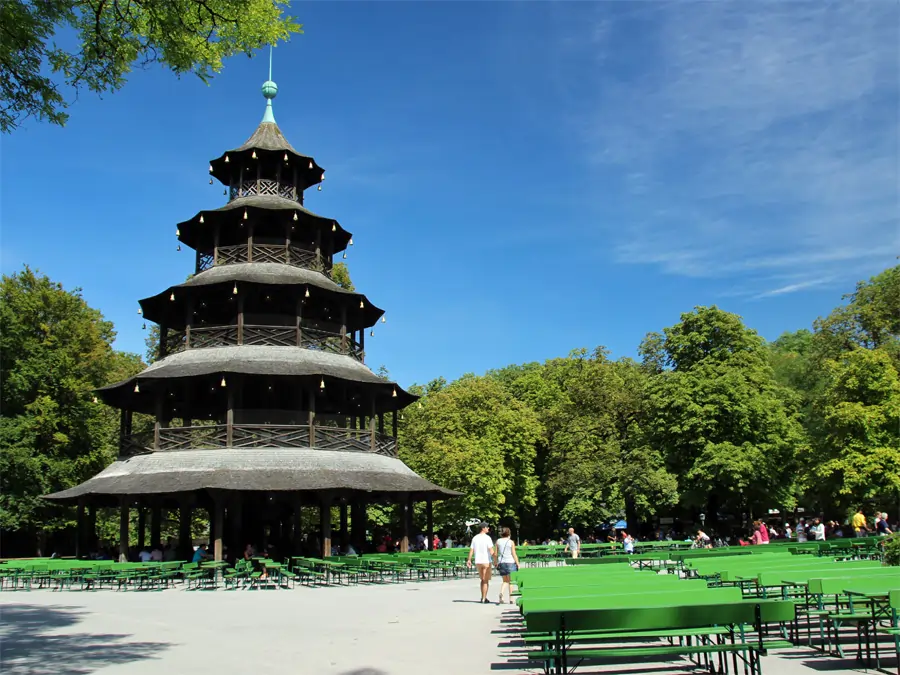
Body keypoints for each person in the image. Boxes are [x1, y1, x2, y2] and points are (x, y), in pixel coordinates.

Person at [466, 523, 495, 604]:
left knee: (482, 580)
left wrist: (469, 560)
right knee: (485, 580)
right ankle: (484, 598)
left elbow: (471, 550)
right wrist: (496, 558)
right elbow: (491, 550)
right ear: (483, 528)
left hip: (478, 561)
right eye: (487, 527)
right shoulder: (487, 538)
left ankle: (483, 596)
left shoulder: (475, 538)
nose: (488, 528)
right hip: (486, 561)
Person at [493, 526, 520, 605]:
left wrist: (495, 562)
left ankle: (501, 593)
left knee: (505, 581)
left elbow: (495, 554)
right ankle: (511, 598)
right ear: (509, 533)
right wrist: (517, 563)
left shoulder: (498, 541)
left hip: (502, 562)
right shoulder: (511, 542)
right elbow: (513, 554)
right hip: (510, 562)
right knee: (511, 582)